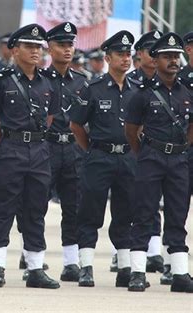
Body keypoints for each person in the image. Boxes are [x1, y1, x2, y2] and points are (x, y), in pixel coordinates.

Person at [0, 24, 60, 289]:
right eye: (29, 46)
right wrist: (7, 143)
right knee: (4, 208)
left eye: (38, 47)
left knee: (36, 209)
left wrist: (33, 140)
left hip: (39, 151)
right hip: (11, 149)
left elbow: (50, 117)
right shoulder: (1, 80)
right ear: (14, 50)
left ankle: (36, 268)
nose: (35, 51)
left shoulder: (47, 81)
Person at [70, 30, 138, 288]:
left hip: (128, 158)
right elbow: (77, 125)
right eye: (120, 54)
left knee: (125, 212)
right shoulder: (94, 88)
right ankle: (86, 266)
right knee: (90, 212)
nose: (126, 58)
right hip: (99, 157)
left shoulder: (136, 90)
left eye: (128, 54)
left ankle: (124, 267)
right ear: (108, 57)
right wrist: (92, 149)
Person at [125, 32, 193, 293]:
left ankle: (179, 274)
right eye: (167, 56)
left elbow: (191, 127)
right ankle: (138, 272)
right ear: (155, 59)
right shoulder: (142, 94)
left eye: (176, 56)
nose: (173, 61)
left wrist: (182, 148)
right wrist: (143, 153)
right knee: (144, 213)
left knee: (178, 215)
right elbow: (131, 131)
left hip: (178, 159)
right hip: (150, 157)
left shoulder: (186, 92)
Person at [41, 22, 87, 282]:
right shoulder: (38, 79)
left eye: (70, 44)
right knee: (36, 205)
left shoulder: (82, 82)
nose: (67, 49)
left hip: (72, 148)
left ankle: (71, 262)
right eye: (61, 44)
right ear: (49, 48)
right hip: (45, 146)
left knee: (74, 206)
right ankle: (33, 255)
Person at [127, 29, 165, 275]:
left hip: (155, 153)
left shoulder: (171, 83)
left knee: (154, 202)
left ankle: (154, 253)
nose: (153, 56)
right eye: (149, 51)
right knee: (128, 203)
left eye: (157, 51)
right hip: (131, 149)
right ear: (139, 54)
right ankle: (121, 252)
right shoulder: (129, 82)